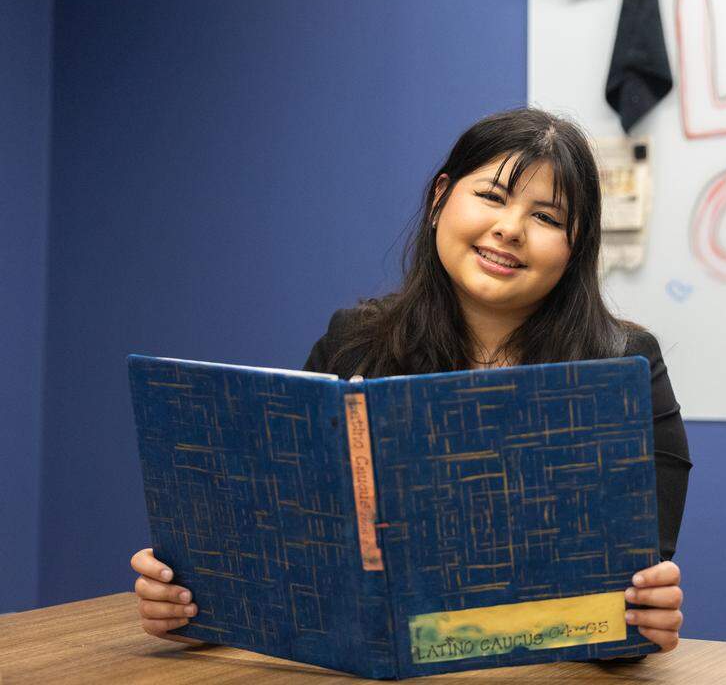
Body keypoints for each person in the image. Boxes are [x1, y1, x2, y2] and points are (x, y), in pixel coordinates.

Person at [129, 107, 692, 654]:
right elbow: (280, 539)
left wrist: (642, 623)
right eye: (491, 197)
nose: (510, 229)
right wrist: (194, 602)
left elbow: (631, 592)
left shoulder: (622, 365)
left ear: (576, 248)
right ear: (439, 199)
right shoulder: (355, 343)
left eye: (546, 217)